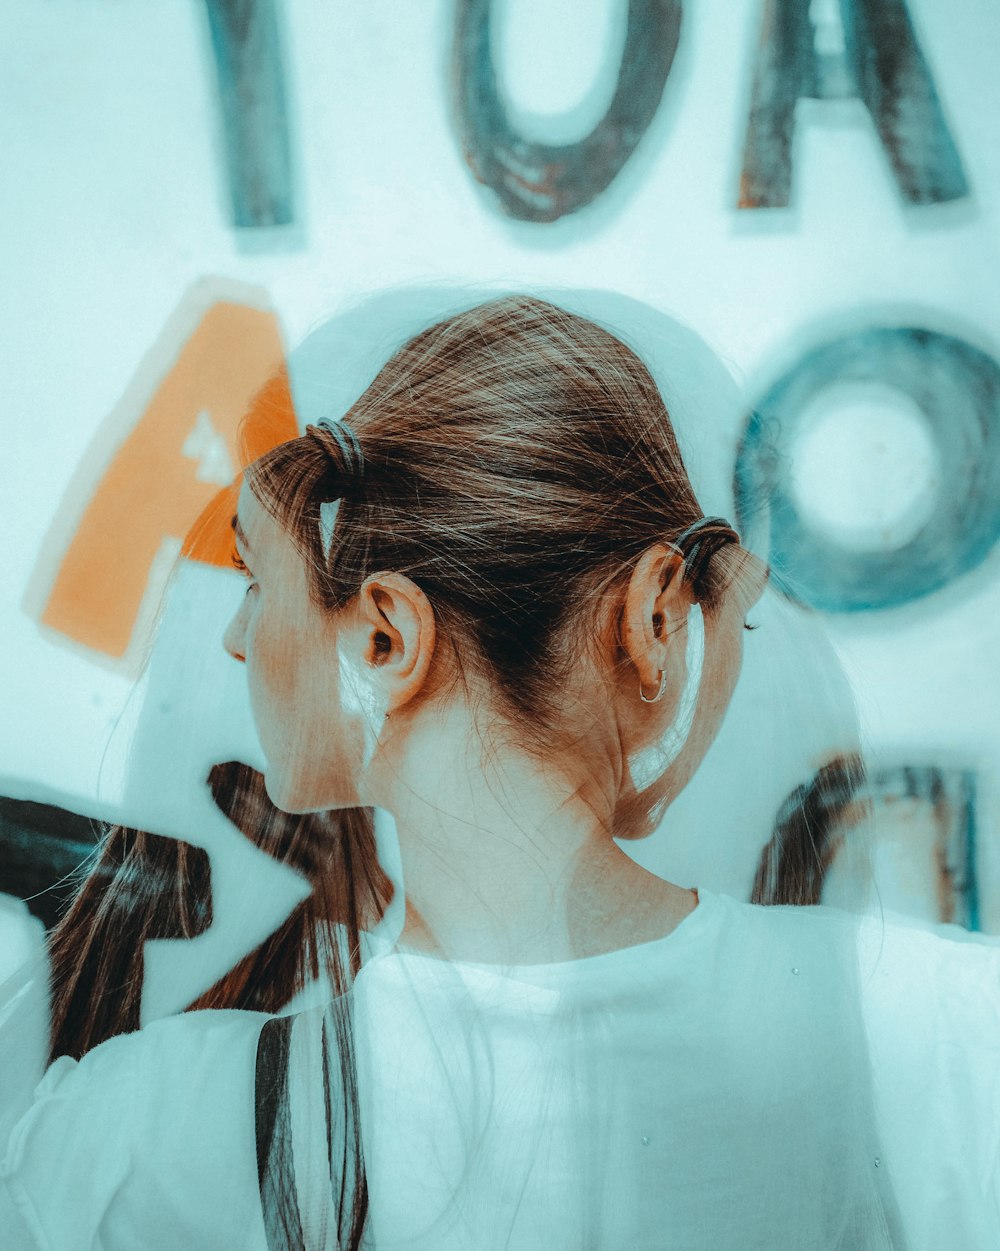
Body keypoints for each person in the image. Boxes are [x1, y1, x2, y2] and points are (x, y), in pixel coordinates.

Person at [2, 295, 998, 1249]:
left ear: (388, 639)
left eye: (260, 588)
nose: (232, 640)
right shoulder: (942, 1041)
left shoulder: (149, 1141)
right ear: (655, 613)